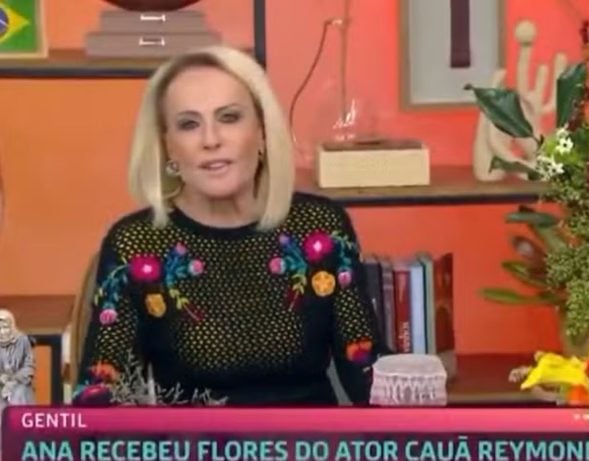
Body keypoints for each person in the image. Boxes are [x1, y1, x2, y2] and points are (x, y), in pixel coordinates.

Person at [74, 44, 386, 406]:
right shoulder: (137, 245)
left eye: (229, 118)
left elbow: (364, 366)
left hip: (309, 436)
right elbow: (103, 391)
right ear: (168, 147)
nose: (211, 140)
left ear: (262, 132)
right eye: (189, 124)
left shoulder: (320, 228)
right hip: (191, 439)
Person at [0, 309, 35, 406]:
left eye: (5, 327)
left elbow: (29, 365)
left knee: (19, 393)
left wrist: (14, 380)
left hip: (20, 384)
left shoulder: (22, 340)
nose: (2, 332)